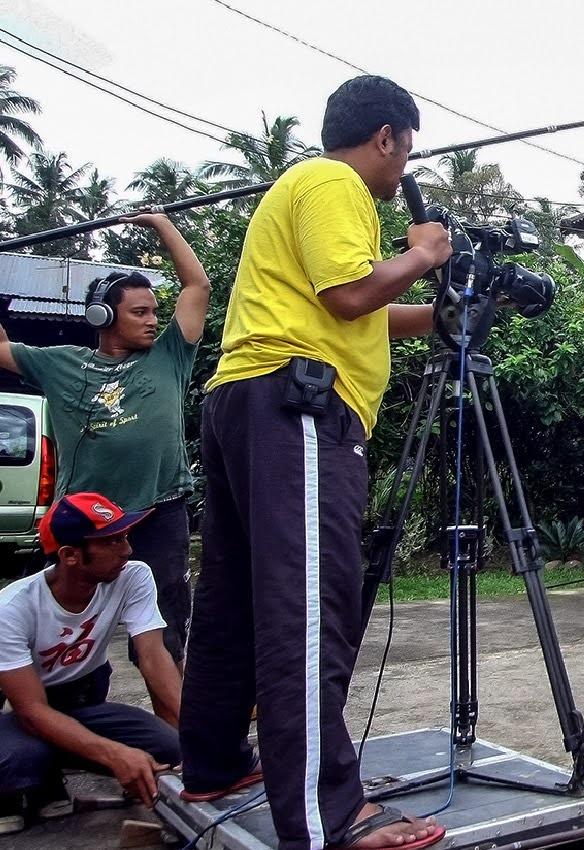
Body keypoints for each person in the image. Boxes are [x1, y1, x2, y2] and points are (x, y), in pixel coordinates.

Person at [177, 75, 452, 850]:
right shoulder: (336, 183)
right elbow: (350, 294)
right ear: (387, 136)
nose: (403, 168)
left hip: (249, 397)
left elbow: (360, 311)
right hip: (298, 406)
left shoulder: (304, 187)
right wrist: (424, 254)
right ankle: (329, 815)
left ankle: (213, 763)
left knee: (235, 598)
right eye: (407, 149)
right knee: (306, 609)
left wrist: (444, 315)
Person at [0, 213, 210, 670]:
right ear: (104, 316)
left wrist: (162, 225)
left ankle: (174, 712)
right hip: (83, 524)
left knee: (165, 633)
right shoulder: (58, 363)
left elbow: (197, 287)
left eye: (154, 311)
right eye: (140, 312)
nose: (153, 321)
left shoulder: (170, 355)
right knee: (58, 627)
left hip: (159, 513)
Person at [0, 493, 181, 836]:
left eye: (124, 537)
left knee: (171, 747)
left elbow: (153, 656)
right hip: (25, 712)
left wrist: (197, 731)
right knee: (21, 761)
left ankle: (48, 770)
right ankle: (23, 785)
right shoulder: (11, 609)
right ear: (69, 555)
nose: (127, 550)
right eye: (112, 541)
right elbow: (31, 711)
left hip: (80, 701)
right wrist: (114, 755)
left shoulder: (133, 576)